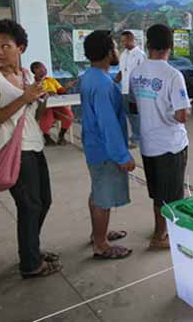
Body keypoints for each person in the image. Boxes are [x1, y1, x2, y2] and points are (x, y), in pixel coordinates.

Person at [0, 19, 61, 278]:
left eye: (5, 45)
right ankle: (30, 263)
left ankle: (31, 249)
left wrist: (39, 99)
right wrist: (23, 99)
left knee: (44, 202)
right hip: (12, 150)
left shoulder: (24, 76)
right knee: (29, 206)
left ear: (21, 48)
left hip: (34, 146)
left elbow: (33, 114)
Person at [129, 24, 191, 249]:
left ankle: (161, 229)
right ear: (170, 46)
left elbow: (135, 105)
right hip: (170, 145)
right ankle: (161, 236)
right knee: (173, 194)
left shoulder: (137, 73)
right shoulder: (173, 75)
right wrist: (186, 110)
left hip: (148, 143)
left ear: (147, 44)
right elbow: (182, 115)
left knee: (158, 192)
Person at [80, 30, 135, 260]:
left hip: (94, 147)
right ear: (107, 52)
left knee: (97, 193)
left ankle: (98, 234)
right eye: (114, 47)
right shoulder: (103, 85)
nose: (117, 50)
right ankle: (101, 245)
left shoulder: (91, 76)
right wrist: (123, 156)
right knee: (103, 199)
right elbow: (108, 125)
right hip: (105, 151)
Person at [30, 61, 76, 146]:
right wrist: (45, 94)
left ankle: (61, 136)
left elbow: (60, 91)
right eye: (43, 67)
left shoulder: (51, 80)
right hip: (44, 106)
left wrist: (67, 87)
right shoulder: (32, 82)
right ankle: (47, 138)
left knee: (69, 116)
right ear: (35, 70)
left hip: (56, 104)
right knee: (48, 119)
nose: (45, 69)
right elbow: (34, 96)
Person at [117, 30, 146, 147]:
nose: (123, 43)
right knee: (128, 113)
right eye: (122, 41)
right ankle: (135, 133)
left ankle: (137, 138)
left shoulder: (140, 54)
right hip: (124, 89)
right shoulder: (123, 54)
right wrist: (114, 82)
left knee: (135, 114)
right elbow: (121, 72)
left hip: (135, 90)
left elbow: (144, 73)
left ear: (131, 40)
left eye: (125, 41)